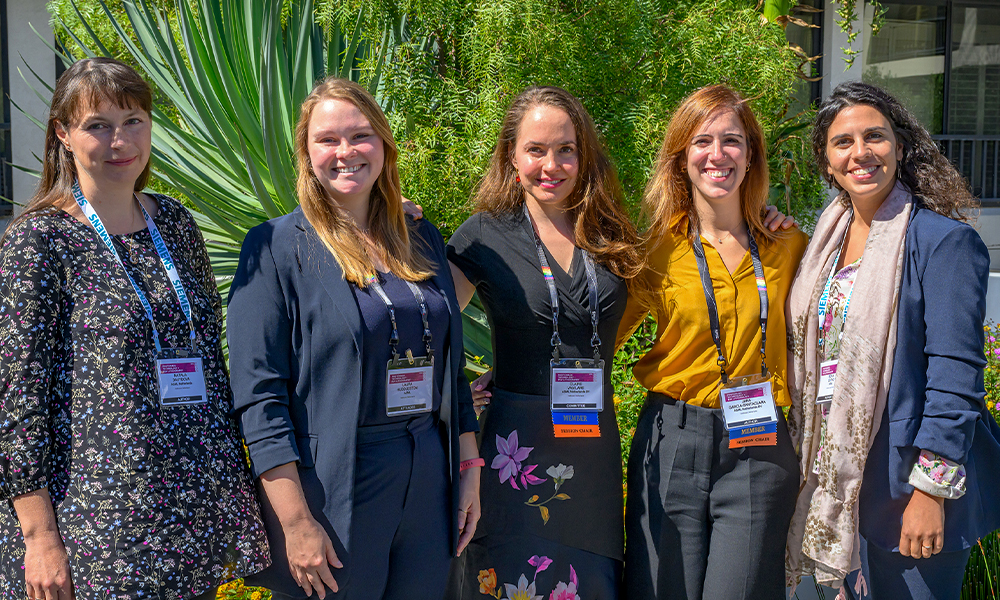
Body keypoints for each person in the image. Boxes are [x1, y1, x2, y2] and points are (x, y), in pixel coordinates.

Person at [0, 57, 270, 600]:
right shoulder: (38, 243)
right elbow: (16, 401)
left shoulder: (173, 222)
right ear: (63, 135)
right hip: (99, 522)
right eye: (97, 125)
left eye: (133, 121)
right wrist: (40, 537)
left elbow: (209, 355)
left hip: (195, 505)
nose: (119, 140)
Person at [227, 77, 481, 600]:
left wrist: (469, 468)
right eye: (328, 140)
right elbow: (259, 397)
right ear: (307, 153)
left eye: (361, 136)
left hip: (429, 476)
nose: (346, 152)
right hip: (335, 481)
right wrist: (296, 522)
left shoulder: (419, 236)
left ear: (384, 146)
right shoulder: (274, 248)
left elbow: (449, 369)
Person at [784, 81, 1000, 600]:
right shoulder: (824, 242)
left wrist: (931, 492)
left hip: (907, 489)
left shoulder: (944, 242)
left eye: (875, 137)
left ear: (899, 147)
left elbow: (956, 377)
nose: (861, 153)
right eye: (843, 142)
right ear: (827, 161)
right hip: (835, 480)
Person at [616, 84, 809, 600]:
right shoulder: (655, 250)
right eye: (703, 141)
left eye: (733, 140)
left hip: (760, 446)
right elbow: (598, 336)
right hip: (673, 437)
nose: (717, 155)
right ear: (682, 158)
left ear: (751, 156)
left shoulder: (789, 246)